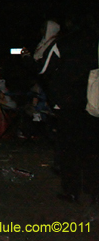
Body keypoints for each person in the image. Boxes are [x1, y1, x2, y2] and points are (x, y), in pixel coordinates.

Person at [42, 18, 99, 204]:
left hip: (68, 102)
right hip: (92, 101)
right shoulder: (94, 43)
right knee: (91, 148)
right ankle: (92, 189)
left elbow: (44, 69)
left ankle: (71, 190)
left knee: (69, 148)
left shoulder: (64, 43)